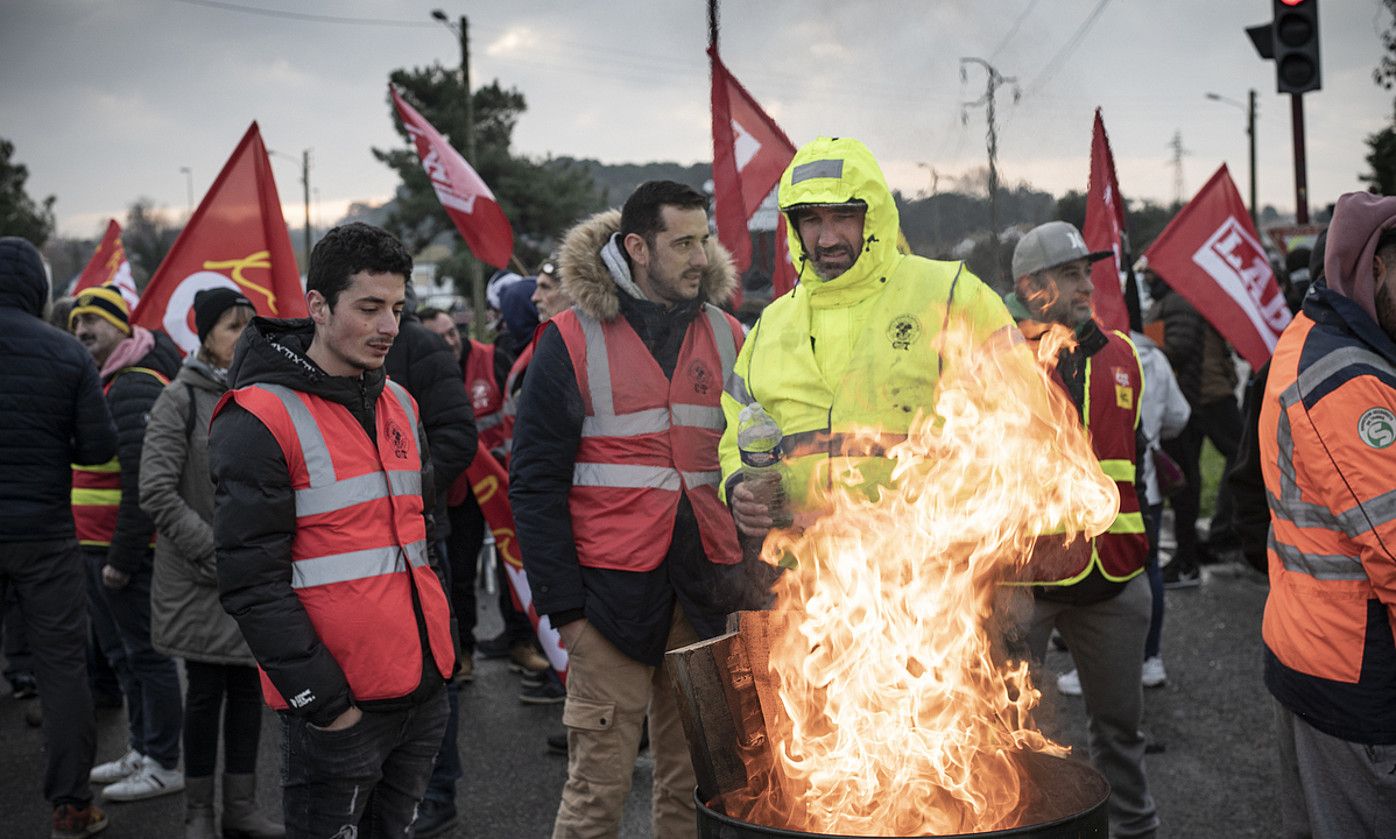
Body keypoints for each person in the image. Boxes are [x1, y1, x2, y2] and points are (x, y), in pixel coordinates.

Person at [511, 180, 753, 838]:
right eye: (683, 242)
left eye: (703, 239)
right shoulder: (568, 339)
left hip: (705, 598)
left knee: (698, 792)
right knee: (596, 795)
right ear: (638, 247)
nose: (700, 255)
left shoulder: (732, 335)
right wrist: (567, 613)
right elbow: (532, 486)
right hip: (605, 604)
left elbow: (750, 467)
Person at [210, 222, 456, 838]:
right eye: (369, 308)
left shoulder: (400, 400)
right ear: (317, 307)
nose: (389, 327)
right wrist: (323, 704)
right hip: (338, 709)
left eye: (398, 308)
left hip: (420, 694)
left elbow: (427, 538)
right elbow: (249, 582)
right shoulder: (259, 415)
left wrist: (442, 659)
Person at [721, 136, 1013, 544]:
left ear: (872, 216)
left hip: (927, 574)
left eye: (843, 216)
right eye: (812, 221)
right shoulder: (771, 323)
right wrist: (738, 485)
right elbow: (737, 424)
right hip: (798, 577)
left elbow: (1019, 421)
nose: (826, 239)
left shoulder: (952, 295)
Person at [1003, 221, 1158, 839]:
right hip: (1024, 581)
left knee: (1121, 733)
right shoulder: (1000, 360)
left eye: (1085, 274)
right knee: (1012, 736)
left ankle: (1136, 831)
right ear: (1032, 287)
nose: (1085, 286)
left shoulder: (1123, 356)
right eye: (1070, 275)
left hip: (1116, 577)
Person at [1259, 192, 1396, 838]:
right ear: (1373, 267)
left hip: (1313, 647)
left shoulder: (1312, 336)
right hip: (1357, 672)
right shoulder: (1346, 379)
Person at [138, 289, 283, 839]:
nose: (243, 336)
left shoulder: (261, 396)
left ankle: (241, 809)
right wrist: (217, 551)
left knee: (248, 690)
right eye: (231, 326)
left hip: (250, 573)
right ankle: (199, 813)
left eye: (250, 326)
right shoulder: (179, 399)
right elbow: (155, 490)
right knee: (203, 693)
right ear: (203, 338)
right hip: (200, 577)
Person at [0, 237, 118, 839]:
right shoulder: (67, 353)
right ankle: (71, 807)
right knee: (62, 670)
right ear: (39, 290)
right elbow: (98, 450)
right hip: (45, 533)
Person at [69, 284, 186, 804]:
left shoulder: (135, 384)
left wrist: (122, 557)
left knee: (148, 657)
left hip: (127, 555)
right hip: (96, 549)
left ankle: (164, 762)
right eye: (75, 324)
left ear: (121, 325)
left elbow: (145, 486)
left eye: (92, 321)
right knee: (122, 657)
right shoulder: (106, 381)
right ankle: (141, 748)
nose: (81, 331)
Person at [382, 293, 477, 839]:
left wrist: (401, 497)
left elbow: (457, 437)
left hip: (419, 541)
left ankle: (438, 794)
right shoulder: (315, 353)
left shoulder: (419, 348)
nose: (379, 322)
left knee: (435, 672)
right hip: (348, 557)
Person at [1144, 271, 1243, 586]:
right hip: (1199, 396)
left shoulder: (1177, 303)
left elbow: (1179, 346)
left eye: (1150, 272)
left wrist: (1149, 357)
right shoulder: (1173, 302)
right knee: (1191, 482)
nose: (1147, 278)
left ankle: (1205, 546)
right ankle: (1204, 544)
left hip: (1198, 397)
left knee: (1191, 481)